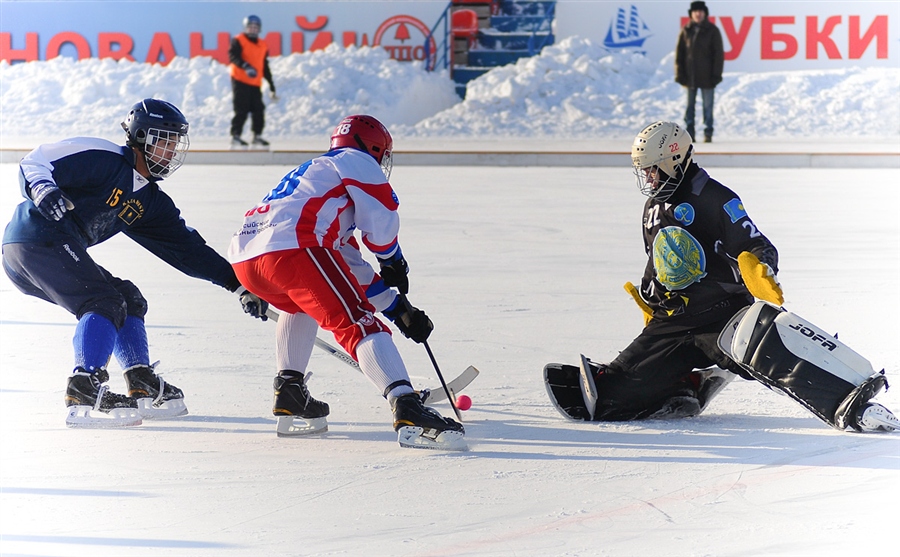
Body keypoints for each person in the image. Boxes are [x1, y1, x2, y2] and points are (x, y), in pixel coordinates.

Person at [545, 121, 899, 433]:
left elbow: (757, 244)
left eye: (653, 170)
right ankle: (687, 385)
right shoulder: (653, 207)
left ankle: (854, 404)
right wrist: (651, 298)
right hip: (672, 321)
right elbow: (660, 260)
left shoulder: (716, 198)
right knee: (607, 403)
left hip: (722, 314)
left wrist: (759, 269)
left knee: (771, 355)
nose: (649, 179)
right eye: (645, 172)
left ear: (674, 160)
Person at [1, 98, 269, 428]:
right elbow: (36, 160)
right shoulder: (105, 158)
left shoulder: (149, 200)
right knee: (102, 300)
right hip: (34, 238)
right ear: (141, 137)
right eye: (163, 140)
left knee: (127, 298)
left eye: (174, 142)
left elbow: (187, 249)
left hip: (50, 249)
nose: (170, 150)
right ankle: (84, 385)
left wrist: (238, 283)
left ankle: (140, 378)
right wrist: (42, 189)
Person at [227, 114, 466, 450]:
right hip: (295, 247)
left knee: (302, 305)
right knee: (358, 323)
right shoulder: (354, 159)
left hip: (247, 257)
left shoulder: (316, 182)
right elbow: (380, 219)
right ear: (372, 147)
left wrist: (398, 309)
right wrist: (392, 260)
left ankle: (290, 390)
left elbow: (349, 265)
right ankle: (407, 406)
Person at [675, 1, 724, 143]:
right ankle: (690, 133)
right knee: (690, 106)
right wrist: (680, 73)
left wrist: (716, 75)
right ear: (691, 14)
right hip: (690, 77)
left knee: (708, 106)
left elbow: (718, 55)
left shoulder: (713, 31)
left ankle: (708, 132)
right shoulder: (686, 30)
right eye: (695, 11)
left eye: (701, 11)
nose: (698, 14)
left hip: (708, 76)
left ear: (705, 13)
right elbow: (680, 54)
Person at [229, 14, 277, 149]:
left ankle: (257, 136)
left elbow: (264, 65)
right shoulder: (238, 40)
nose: (253, 29)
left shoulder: (262, 44)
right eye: (250, 27)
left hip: (255, 83)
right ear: (246, 28)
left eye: (256, 27)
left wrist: (271, 84)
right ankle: (236, 135)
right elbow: (233, 56)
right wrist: (245, 66)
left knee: (258, 109)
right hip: (240, 80)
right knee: (241, 109)